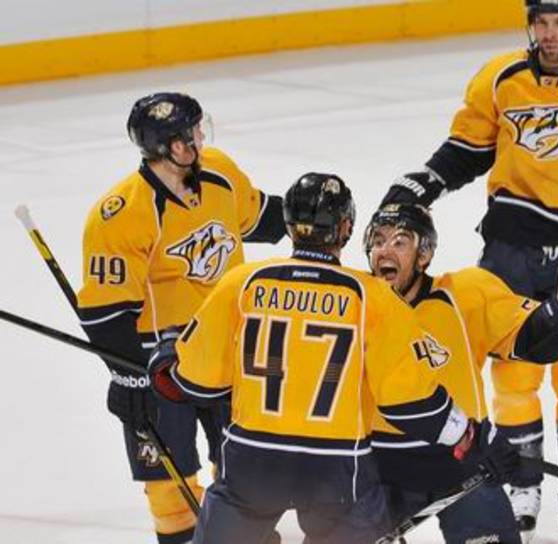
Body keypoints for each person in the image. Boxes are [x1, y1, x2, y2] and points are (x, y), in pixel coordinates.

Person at [379, 0, 558, 538]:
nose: (549, 34)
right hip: (512, 244)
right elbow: (467, 149)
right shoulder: (500, 78)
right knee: (513, 376)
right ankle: (523, 481)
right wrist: (429, 180)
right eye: (541, 23)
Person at [145, 173, 519, 544]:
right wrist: (470, 435)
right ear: (346, 228)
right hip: (336, 471)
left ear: (289, 225)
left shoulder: (242, 282)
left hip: (253, 462)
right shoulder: (373, 297)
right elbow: (409, 403)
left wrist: (167, 354)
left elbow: (193, 383)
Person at [77, 92, 287, 544]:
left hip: (229, 349)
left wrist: (307, 218)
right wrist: (130, 378)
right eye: (192, 132)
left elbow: (259, 218)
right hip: (161, 363)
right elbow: (105, 315)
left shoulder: (219, 171)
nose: (200, 137)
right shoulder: (121, 215)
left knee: (244, 463)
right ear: (173, 146)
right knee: (169, 486)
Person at [365, 203, 558, 544]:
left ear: (424, 254)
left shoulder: (463, 294)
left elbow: (530, 338)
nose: (385, 250)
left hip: (462, 458)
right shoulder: (356, 301)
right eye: (378, 241)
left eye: (399, 242)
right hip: (380, 465)